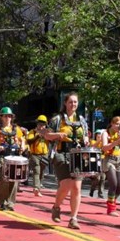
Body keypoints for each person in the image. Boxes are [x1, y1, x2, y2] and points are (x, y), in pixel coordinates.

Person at [46, 92, 89, 229]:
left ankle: (73, 218)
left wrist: (86, 140)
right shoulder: (57, 119)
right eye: (70, 102)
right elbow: (47, 135)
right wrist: (58, 134)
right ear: (65, 103)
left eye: (75, 102)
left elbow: (86, 135)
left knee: (76, 187)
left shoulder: (81, 119)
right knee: (65, 185)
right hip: (61, 153)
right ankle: (56, 206)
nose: (73, 104)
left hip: (77, 154)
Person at [0, 107, 25, 211]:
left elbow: (22, 140)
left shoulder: (16, 129)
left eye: (9, 116)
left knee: (14, 180)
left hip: (14, 155)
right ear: (1, 117)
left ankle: (11, 203)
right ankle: (3, 202)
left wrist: (22, 146)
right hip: (3, 156)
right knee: (4, 180)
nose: (8, 118)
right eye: (5, 116)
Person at [100, 116, 120, 216]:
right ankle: (111, 208)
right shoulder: (105, 133)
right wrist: (115, 142)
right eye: (116, 124)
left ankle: (111, 200)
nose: (118, 126)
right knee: (114, 184)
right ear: (112, 124)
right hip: (109, 159)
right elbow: (104, 147)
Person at [26, 115, 51, 196]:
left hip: (45, 155)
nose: (41, 126)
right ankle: (36, 188)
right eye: (40, 124)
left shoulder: (48, 132)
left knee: (41, 172)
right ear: (37, 124)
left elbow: (52, 141)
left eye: (43, 125)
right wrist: (38, 136)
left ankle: (38, 186)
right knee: (36, 170)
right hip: (34, 155)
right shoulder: (32, 132)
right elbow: (29, 141)